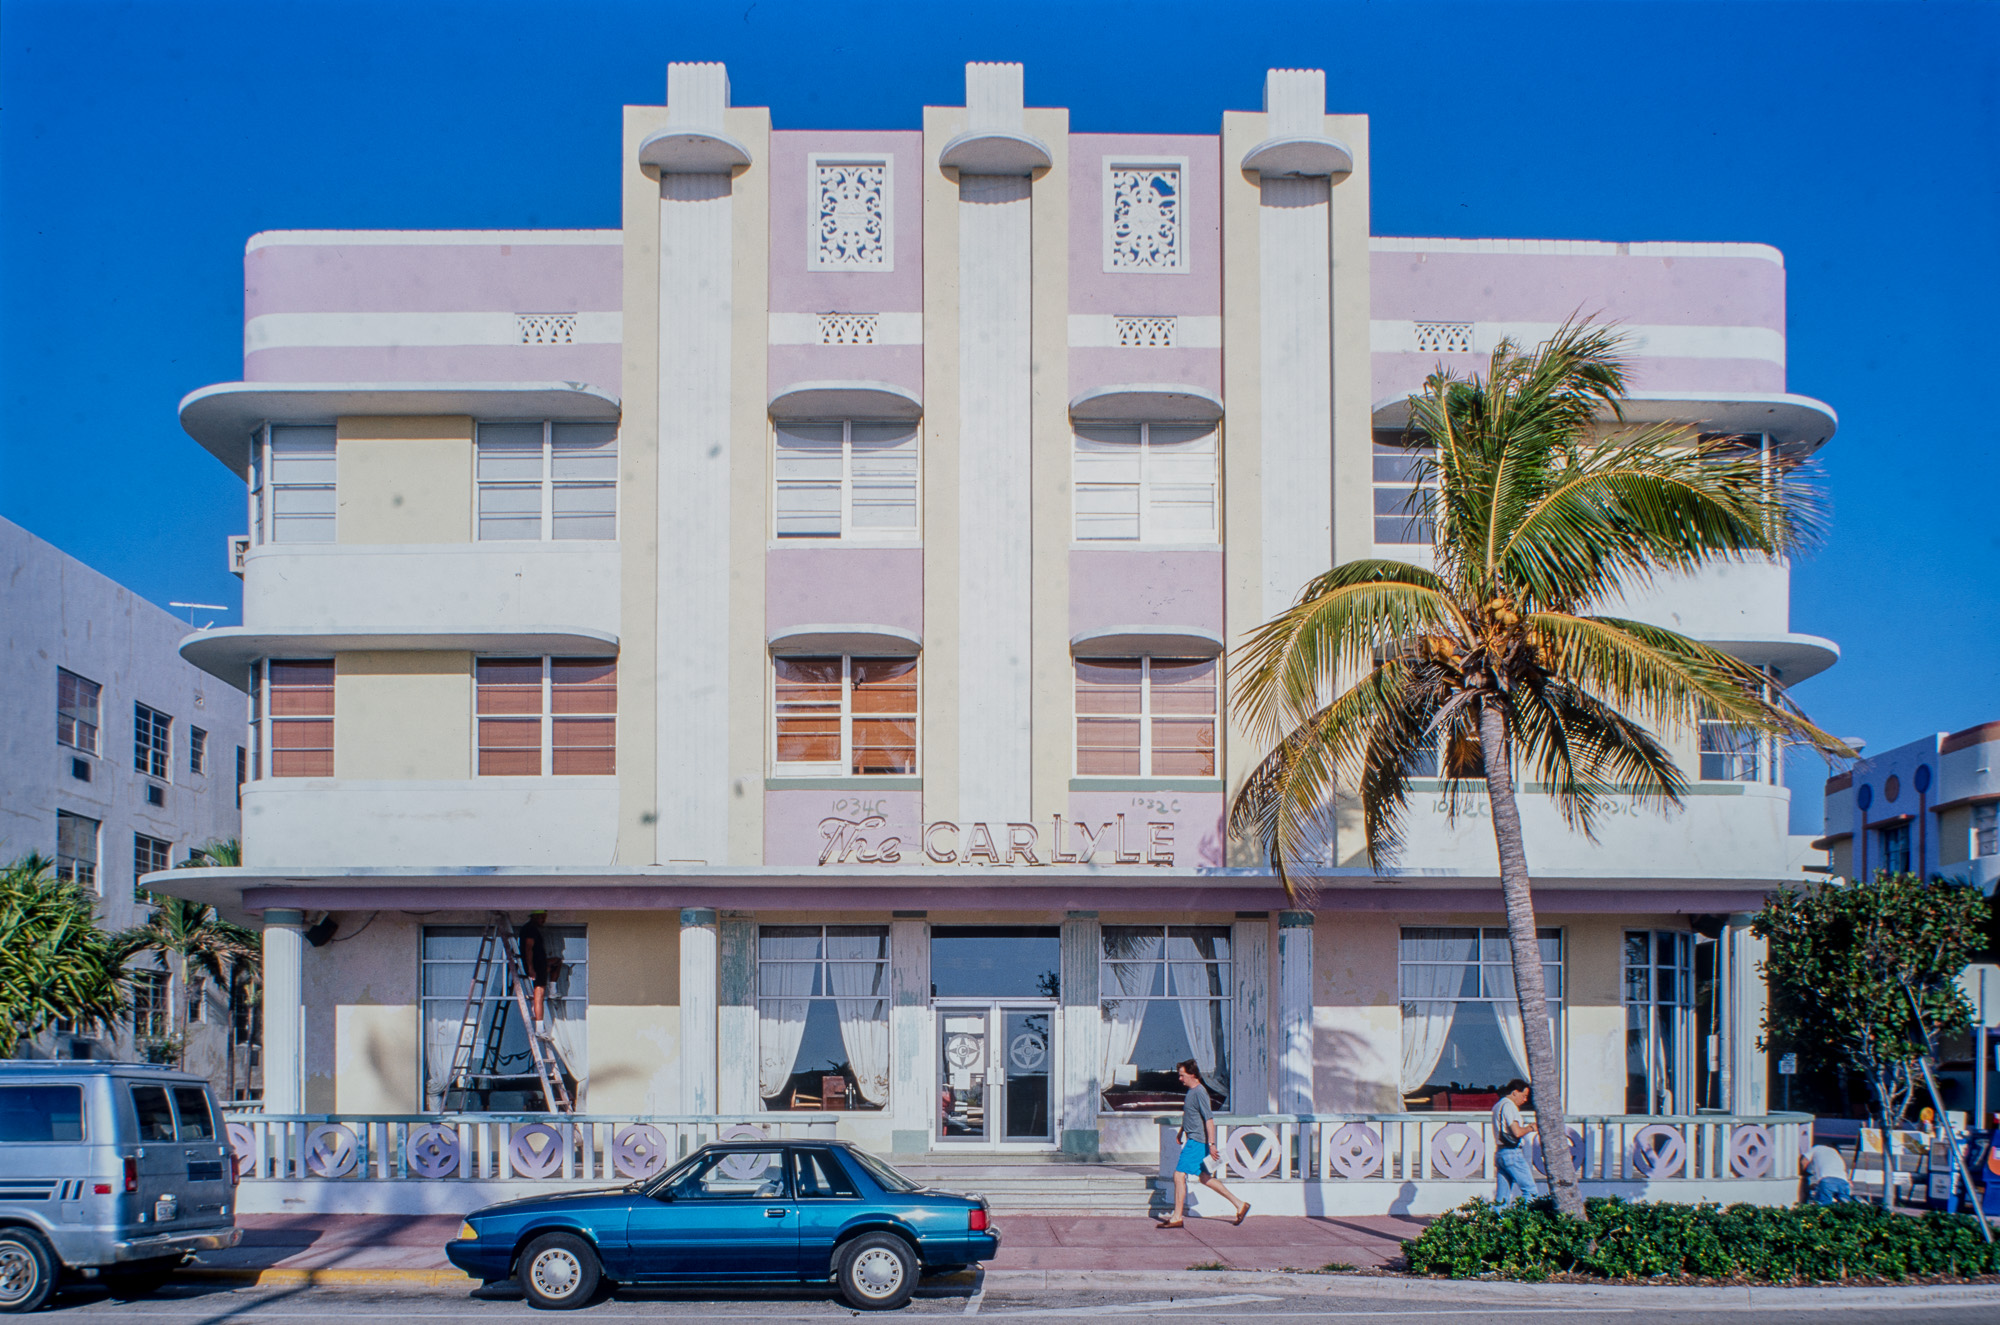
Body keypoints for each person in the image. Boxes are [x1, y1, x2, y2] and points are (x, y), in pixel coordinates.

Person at [1157, 1059, 1250, 1228]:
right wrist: (1181, 1131)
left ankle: (1177, 1217)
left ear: (1192, 1074)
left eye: (1182, 1075)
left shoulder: (1200, 1092)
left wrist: (1212, 1144)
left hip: (1197, 1142)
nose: (1180, 1079)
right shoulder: (1191, 1091)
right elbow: (1191, 1115)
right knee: (1205, 1178)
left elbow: (1209, 1119)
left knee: (1179, 1175)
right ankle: (1240, 1204)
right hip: (1194, 1139)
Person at [1492, 1078, 1538, 1206]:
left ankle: (1497, 1222)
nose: (1525, 1100)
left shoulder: (1498, 1105)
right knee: (1530, 1190)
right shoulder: (1510, 1106)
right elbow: (1517, 1132)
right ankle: (1521, 1221)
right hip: (1512, 1153)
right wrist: (1532, 1128)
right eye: (1524, 1096)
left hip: (1500, 1152)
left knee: (1502, 1197)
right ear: (1515, 1092)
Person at [516, 911, 556, 1025]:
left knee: (556, 962)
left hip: (540, 963)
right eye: (542, 918)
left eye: (544, 918)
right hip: (536, 965)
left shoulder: (530, 928)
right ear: (535, 917)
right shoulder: (530, 929)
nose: (543, 920)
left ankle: (553, 990)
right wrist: (531, 968)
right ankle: (539, 1027)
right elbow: (529, 949)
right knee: (539, 994)